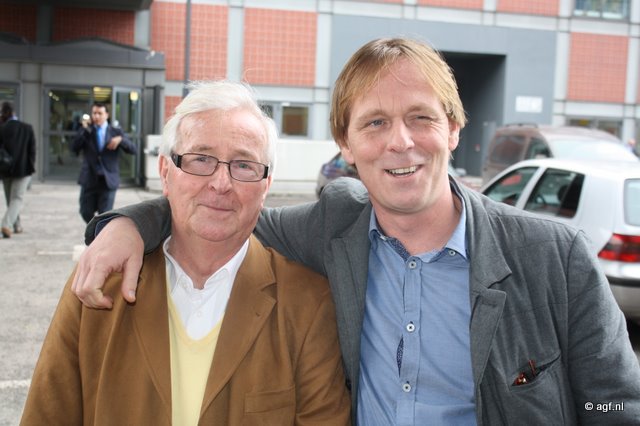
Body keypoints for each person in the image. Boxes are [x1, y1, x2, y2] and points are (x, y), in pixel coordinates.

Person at [72, 38, 640, 424]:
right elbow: (224, 207)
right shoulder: (332, 225)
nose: (400, 142)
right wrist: (127, 224)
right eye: (375, 123)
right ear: (345, 144)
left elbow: (617, 407)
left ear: (453, 129)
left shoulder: (554, 259)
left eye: (421, 117)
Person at [21, 81, 350, 425]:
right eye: (200, 159)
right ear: (166, 172)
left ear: (266, 185)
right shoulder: (98, 283)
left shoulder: (307, 304)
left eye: (243, 165)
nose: (221, 183)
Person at [72, 102, 136, 223]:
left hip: (108, 180)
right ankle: (95, 231)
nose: (96, 116)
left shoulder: (116, 132)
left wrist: (121, 140)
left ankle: (99, 234)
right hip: (89, 178)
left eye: (99, 113)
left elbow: (133, 149)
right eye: (94, 113)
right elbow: (74, 148)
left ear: (106, 115)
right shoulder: (87, 130)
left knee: (105, 216)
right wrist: (84, 130)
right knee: (85, 212)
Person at [0, 102, 36, 238]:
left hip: (5, 170)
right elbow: (32, 151)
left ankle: (16, 225)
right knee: (16, 199)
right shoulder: (27, 128)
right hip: (23, 170)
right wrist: (30, 166)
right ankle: (6, 225)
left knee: (11, 199)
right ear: (14, 112)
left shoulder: (2, 128)